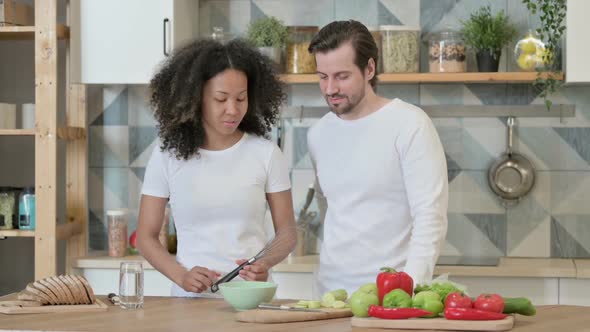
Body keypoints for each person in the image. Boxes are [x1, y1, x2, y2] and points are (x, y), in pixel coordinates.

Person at [137, 38, 297, 297]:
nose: (232, 110)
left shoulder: (266, 154)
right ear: (196, 97)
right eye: (220, 99)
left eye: (241, 98)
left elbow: (287, 232)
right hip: (189, 304)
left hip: (251, 299)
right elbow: (146, 237)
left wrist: (266, 262)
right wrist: (181, 275)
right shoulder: (167, 156)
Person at [306, 20, 449, 296]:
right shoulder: (318, 134)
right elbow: (330, 209)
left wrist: (408, 289)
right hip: (330, 295)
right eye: (323, 76)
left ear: (369, 68)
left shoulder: (410, 124)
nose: (330, 88)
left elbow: (430, 217)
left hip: (392, 295)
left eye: (342, 76)